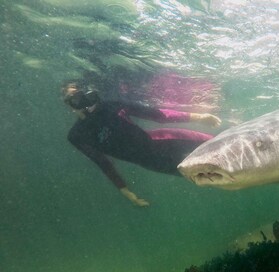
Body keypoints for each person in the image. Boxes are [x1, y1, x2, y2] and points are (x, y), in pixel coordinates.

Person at [62, 81, 221, 207]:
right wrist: (125, 191)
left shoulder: (110, 106)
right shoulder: (77, 136)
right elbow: (103, 162)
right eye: (75, 99)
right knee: (210, 176)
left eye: (83, 96)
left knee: (219, 145)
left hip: (165, 140)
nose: (82, 103)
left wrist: (199, 117)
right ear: (69, 105)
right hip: (154, 163)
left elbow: (158, 115)